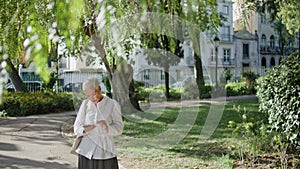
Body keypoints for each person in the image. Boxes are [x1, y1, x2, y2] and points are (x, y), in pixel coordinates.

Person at [73, 77, 124, 169]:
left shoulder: (112, 104)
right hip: (86, 151)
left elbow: (119, 128)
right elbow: (76, 128)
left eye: (93, 94)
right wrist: (85, 129)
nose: (91, 98)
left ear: (99, 89)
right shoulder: (85, 104)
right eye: (88, 95)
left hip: (106, 152)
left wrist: (107, 128)